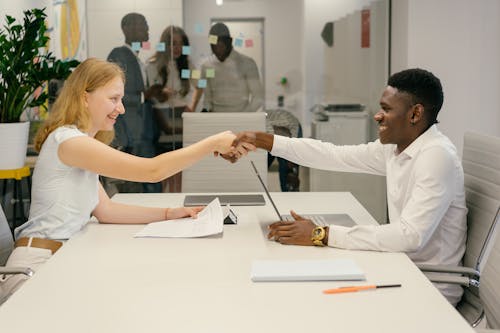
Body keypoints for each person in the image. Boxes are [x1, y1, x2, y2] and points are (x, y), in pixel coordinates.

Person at [0, 58, 248, 303]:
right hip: (35, 272)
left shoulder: (78, 144)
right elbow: (152, 171)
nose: (121, 108)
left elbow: (106, 210)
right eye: (113, 99)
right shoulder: (68, 142)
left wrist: (169, 213)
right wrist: (212, 143)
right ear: (85, 97)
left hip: (59, 261)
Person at [229, 68, 467, 306]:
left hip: (429, 288)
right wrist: (264, 140)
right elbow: (333, 155)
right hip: (399, 266)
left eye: (386, 109)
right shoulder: (396, 149)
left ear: (415, 114)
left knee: (319, 300)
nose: (377, 116)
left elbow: (410, 236)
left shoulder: (436, 156)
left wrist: (320, 234)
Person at [145, 25, 202, 192]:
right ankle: (166, 205)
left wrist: (192, 107)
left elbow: (200, 86)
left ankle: (177, 204)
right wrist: (160, 93)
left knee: (181, 167)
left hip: (182, 118)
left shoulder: (188, 64)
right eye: (173, 43)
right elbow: (151, 95)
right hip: (161, 118)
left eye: (180, 44)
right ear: (165, 44)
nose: (177, 48)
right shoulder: (152, 65)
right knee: (163, 167)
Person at [107, 12, 159, 192]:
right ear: (126, 29)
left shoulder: (138, 58)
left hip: (142, 129)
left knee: (148, 179)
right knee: (134, 182)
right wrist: (146, 96)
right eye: (142, 24)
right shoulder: (119, 55)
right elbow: (113, 93)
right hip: (129, 131)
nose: (147, 29)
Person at [200, 22, 264, 113]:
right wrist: (205, 111)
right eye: (215, 46)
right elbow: (207, 98)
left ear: (229, 42)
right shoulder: (206, 66)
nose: (218, 50)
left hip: (240, 117)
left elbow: (258, 98)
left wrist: (242, 117)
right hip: (216, 119)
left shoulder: (247, 63)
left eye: (221, 46)